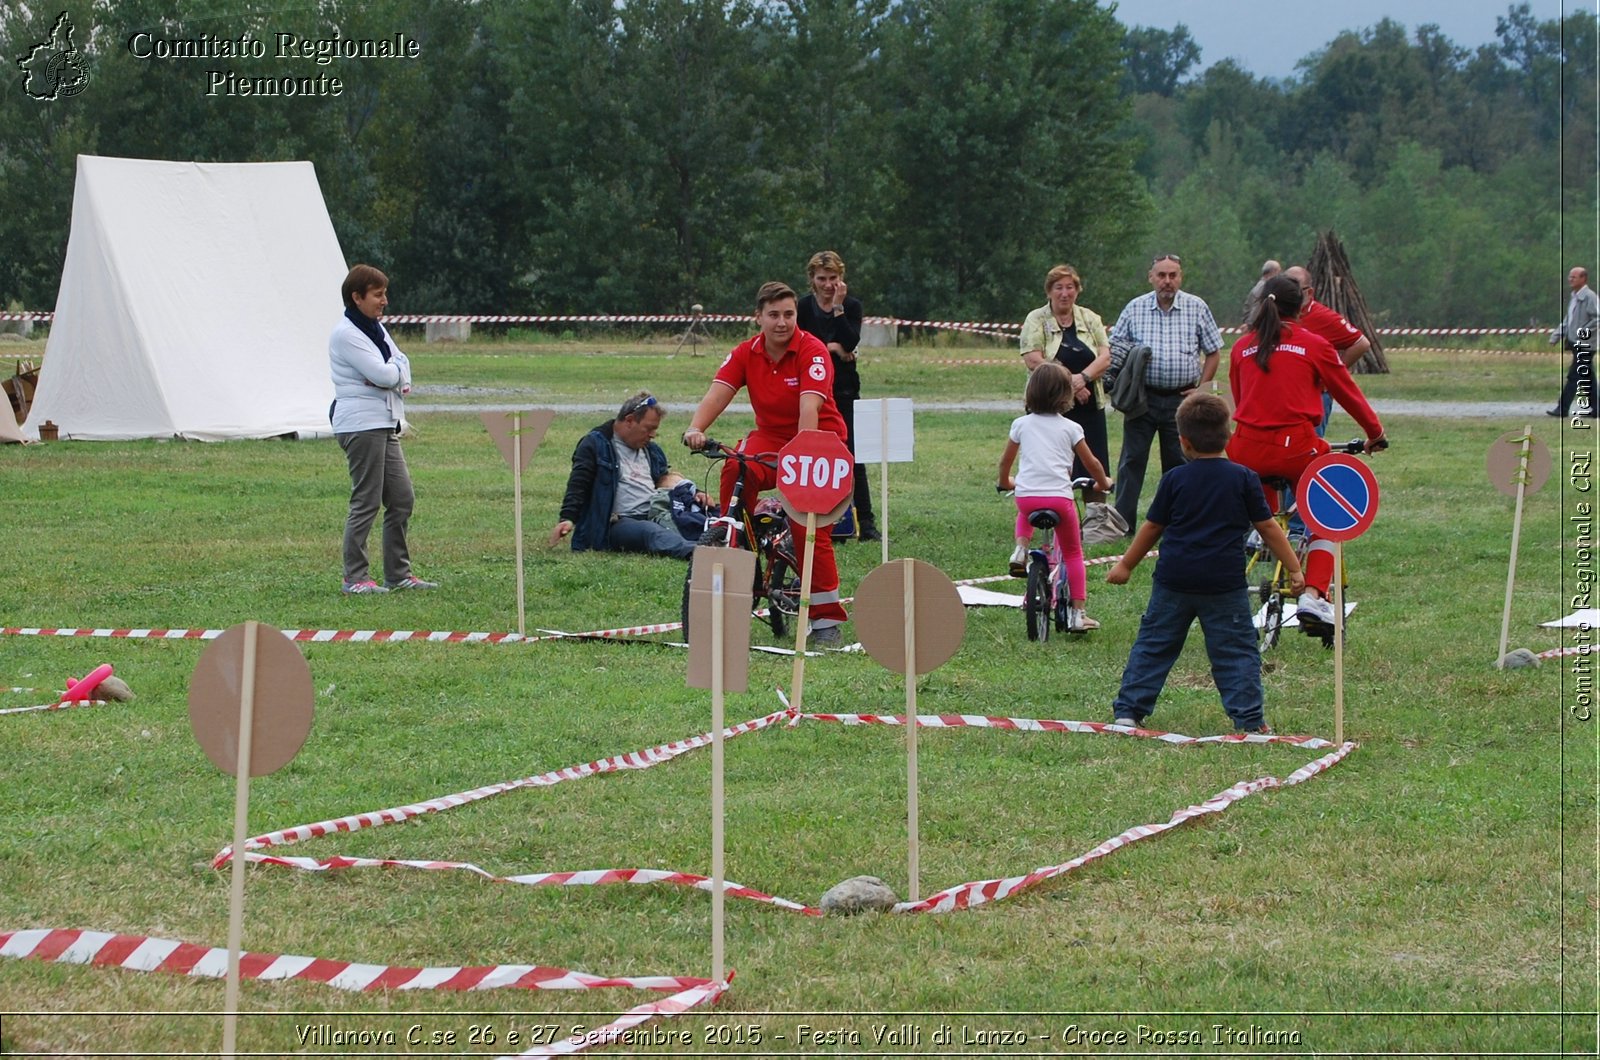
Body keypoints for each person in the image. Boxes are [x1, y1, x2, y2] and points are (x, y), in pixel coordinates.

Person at [1106, 393, 1303, 734]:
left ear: (1183, 441)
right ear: (1229, 436)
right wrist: (1295, 568)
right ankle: (1250, 722)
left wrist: (1126, 565)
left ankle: (1129, 712)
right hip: (1224, 583)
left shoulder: (1174, 479)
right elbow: (1268, 527)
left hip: (1174, 580)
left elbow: (1153, 527)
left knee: (1154, 645)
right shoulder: (1244, 478)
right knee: (1237, 652)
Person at [682, 281, 851, 644]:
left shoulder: (813, 350)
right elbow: (718, 393)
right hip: (771, 437)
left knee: (809, 526)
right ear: (758, 317)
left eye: (788, 314)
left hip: (817, 439)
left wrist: (801, 458)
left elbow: (810, 408)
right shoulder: (746, 352)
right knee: (735, 468)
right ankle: (738, 545)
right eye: (773, 315)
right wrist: (696, 427)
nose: (782, 322)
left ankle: (825, 620)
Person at [1225, 273, 1385, 631]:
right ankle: (1313, 593)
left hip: (1246, 447)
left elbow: (1240, 397)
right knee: (1329, 510)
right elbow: (1347, 392)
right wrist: (1375, 433)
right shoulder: (1314, 344)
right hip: (1296, 446)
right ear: (1302, 308)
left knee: (1258, 513)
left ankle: (1255, 555)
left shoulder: (1240, 348)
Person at [328, 264, 435, 595]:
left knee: (402, 498)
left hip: (385, 422)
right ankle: (355, 578)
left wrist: (394, 370)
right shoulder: (346, 334)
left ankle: (397, 574)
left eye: (384, 293)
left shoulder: (375, 328)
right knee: (367, 501)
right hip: (361, 425)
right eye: (378, 294)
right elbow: (386, 374)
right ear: (357, 297)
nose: (384, 300)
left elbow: (399, 363)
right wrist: (394, 371)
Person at [1105, 253, 1223, 534]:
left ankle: (1178, 523)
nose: (1167, 281)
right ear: (1151, 277)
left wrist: (1200, 390)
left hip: (1181, 400)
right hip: (1141, 398)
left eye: (1173, 275)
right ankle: (1123, 524)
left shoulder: (1197, 307)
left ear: (1180, 277)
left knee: (1179, 463)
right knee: (1132, 461)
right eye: (1161, 275)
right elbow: (1116, 347)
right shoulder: (1134, 308)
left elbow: (1214, 352)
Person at [997, 364, 1114, 632]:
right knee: (1073, 553)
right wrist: (1103, 482)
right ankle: (1077, 614)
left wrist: (1005, 482)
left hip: (1027, 497)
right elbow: (1092, 462)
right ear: (1066, 395)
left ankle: (1020, 549)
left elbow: (1006, 461)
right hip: (1059, 500)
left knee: (1024, 507)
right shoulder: (1071, 428)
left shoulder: (1020, 424)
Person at [550, 392, 707, 559]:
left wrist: (694, 492)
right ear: (630, 420)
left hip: (656, 512)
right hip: (617, 523)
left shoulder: (651, 450)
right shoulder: (596, 444)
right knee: (651, 532)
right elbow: (578, 484)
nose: (653, 435)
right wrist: (567, 518)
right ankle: (700, 554)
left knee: (699, 519)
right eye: (649, 428)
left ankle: (725, 543)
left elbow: (664, 479)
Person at [797, 251, 879, 541]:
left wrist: (839, 309)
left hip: (844, 389)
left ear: (841, 278)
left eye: (833, 278)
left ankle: (866, 522)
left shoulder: (851, 306)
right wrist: (831, 349)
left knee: (852, 454)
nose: (828, 284)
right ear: (812, 280)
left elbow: (851, 340)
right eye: (822, 279)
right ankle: (814, 516)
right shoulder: (802, 308)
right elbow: (800, 344)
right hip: (810, 389)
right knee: (810, 452)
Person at [1020, 264, 1112, 504]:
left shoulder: (1090, 318)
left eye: (1070, 287)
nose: (1064, 293)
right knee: (1053, 463)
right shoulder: (1036, 319)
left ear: (1077, 290)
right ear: (1049, 291)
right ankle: (1054, 511)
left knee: (1093, 460)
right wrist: (1070, 382)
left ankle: (1096, 518)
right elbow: (1033, 358)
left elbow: (1105, 356)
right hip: (1049, 406)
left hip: (1090, 407)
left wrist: (1083, 379)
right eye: (1058, 287)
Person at [1282, 265, 1372, 435]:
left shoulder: (1324, 317)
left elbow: (1361, 343)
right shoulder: (1277, 314)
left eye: (1296, 290)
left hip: (1315, 395)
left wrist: (1328, 378)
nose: (1290, 295)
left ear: (1309, 293)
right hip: (1288, 393)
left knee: (1311, 446)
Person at [1549, 266, 1600, 418]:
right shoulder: (1575, 297)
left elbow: (1597, 318)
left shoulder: (1590, 297)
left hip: (1586, 344)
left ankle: (1562, 408)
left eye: (1574, 277)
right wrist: (1556, 336)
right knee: (1587, 377)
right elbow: (1569, 320)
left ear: (1583, 279)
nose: (1570, 279)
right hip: (1575, 343)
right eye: (1570, 276)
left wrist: (1583, 332)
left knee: (1574, 376)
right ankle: (1597, 409)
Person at [1241, 259, 1282, 326]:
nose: (1280, 274)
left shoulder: (1259, 286)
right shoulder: (1264, 287)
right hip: (1257, 327)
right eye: (1279, 271)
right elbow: (1257, 307)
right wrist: (1250, 324)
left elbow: (1248, 307)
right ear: (1273, 271)